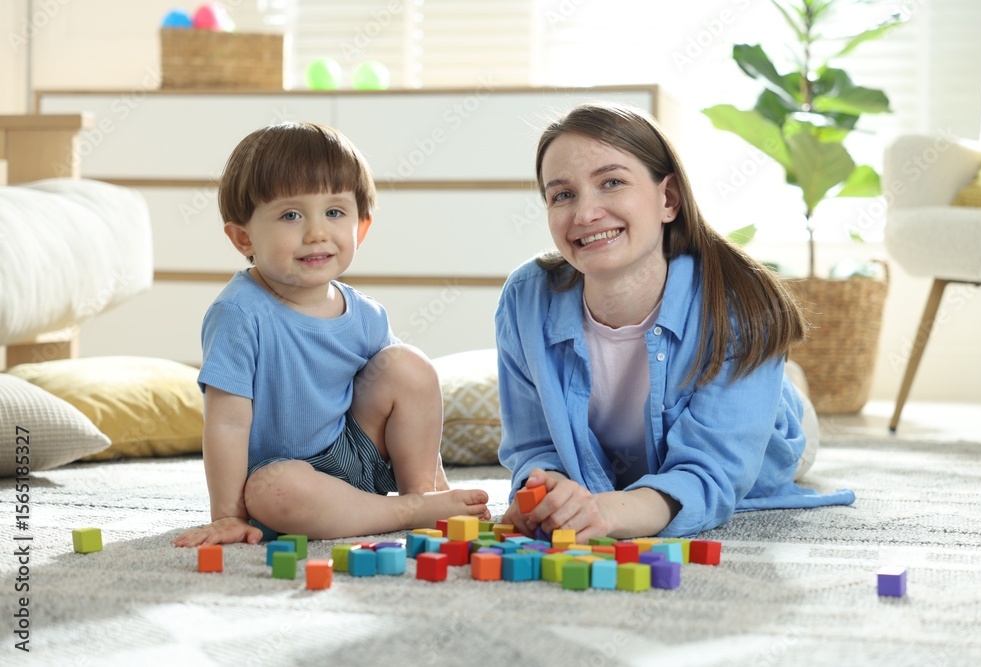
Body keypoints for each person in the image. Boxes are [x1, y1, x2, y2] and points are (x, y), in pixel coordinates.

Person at [496, 102, 854, 542]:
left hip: (774, 437)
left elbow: (713, 473)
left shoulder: (741, 306)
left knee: (777, 404)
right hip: (635, 450)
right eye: (562, 195)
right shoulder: (525, 298)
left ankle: (779, 384)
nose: (585, 214)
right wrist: (546, 490)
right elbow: (535, 445)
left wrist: (607, 512)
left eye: (611, 182)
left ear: (668, 199)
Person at [172, 122, 488, 548]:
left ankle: (423, 494)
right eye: (291, 215)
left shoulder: (365, 314)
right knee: (274, 489)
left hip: (353, 453)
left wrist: (434, 478)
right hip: (285, 482)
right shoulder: (239, 314)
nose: (316, 233)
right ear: (243, 237)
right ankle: (406, 512)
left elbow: (409, 405)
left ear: (361, 228)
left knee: (408, 365)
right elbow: (226, 422)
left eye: (334, 213)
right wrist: (227, 516)